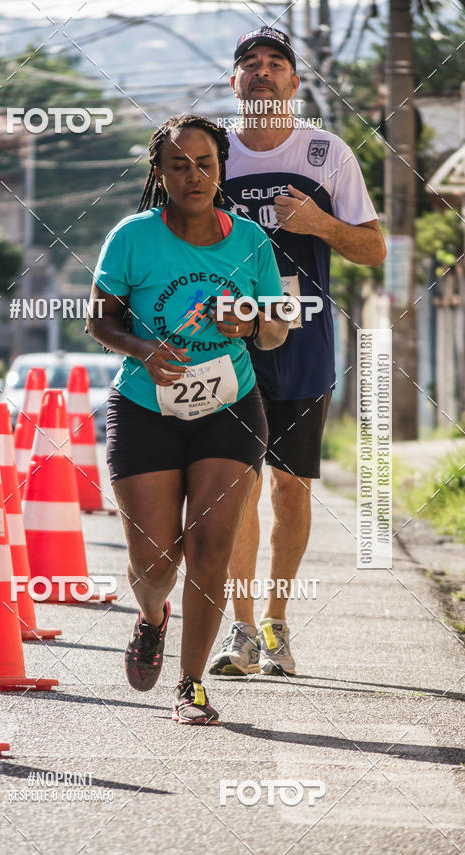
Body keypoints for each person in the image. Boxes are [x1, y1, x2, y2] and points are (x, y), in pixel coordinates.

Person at [87, 113, 288, 724]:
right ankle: (152, 616)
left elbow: (276, 331)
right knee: (154, 563)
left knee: (208, 548)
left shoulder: (250, 241)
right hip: (145, 408)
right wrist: (144, 349)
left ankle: (191, 684)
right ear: (160, 173)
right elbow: (99, 321)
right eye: (179, 165)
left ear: (221, 169)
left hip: (230, 408)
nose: (194, 175)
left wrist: (249, 323)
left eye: (205, 164)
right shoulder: (132, 237)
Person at [209, 27, 387, 677]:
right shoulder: (213, 152)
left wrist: (318, 224)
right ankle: (242, 630)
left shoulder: (325, 152)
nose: (262, 71)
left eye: (275, 63)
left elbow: (373, 248)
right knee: (237, 486)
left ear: (294, 82)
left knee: (291, 488)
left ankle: (277, 625)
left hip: (305, 343)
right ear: (234, 81)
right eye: (249, 63)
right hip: (228, 345)